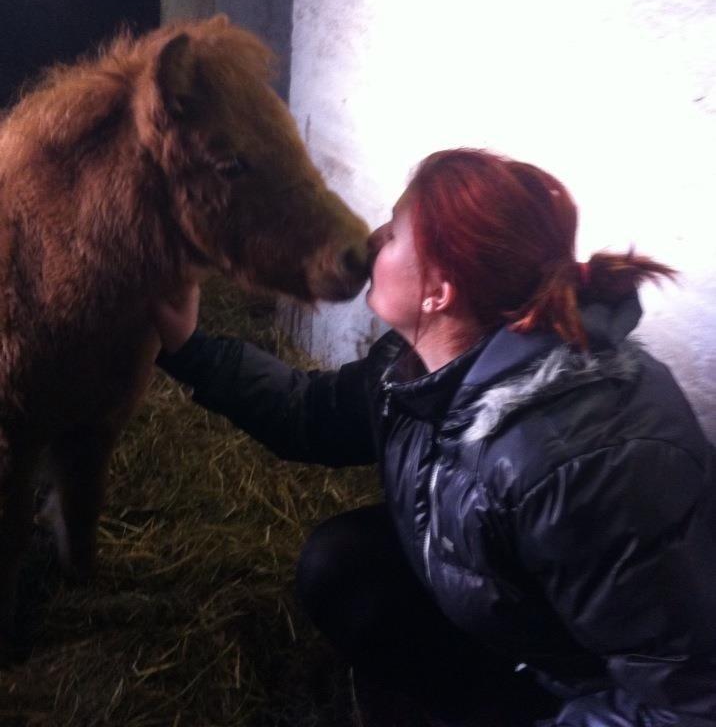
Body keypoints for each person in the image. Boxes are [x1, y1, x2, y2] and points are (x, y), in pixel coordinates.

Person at [153, 148, 716, 727]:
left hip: (592, 691)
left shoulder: (589, 464)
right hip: (514, 625)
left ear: (439, 291)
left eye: (393, 233)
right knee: (342, 563)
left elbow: (687, 705)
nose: (372, 240)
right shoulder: (421, 362)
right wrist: (193, 351)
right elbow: (314, 414)